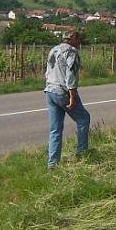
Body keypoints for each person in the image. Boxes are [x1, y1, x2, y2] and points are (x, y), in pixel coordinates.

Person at [43, 31, 90, 169]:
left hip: (50, 90)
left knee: (55, 129)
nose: (79, 42)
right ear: (73, 39)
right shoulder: (71, 52)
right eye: (78, 38)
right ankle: (82, 153)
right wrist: (72, 94)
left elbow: (47, 71)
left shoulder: (54, 50)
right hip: (62, 91)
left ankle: (52, 163)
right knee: (83, 119)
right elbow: (71, 74)